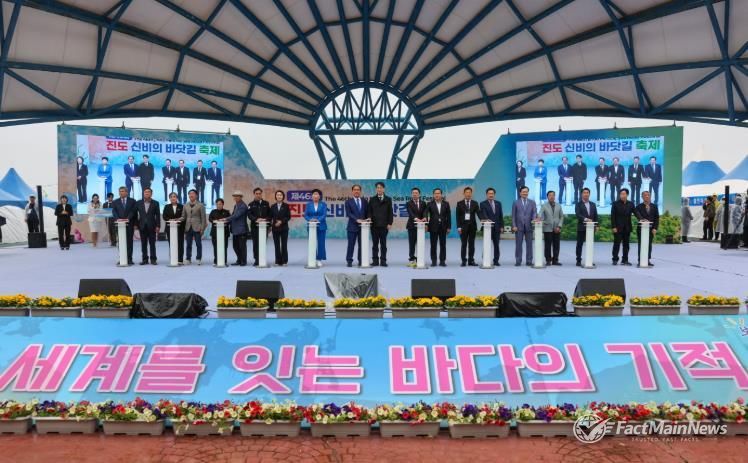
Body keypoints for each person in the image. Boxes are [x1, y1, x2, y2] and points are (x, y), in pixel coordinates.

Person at [367, 182, 393, 267]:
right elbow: (369, 211)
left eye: (381, 187)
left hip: (384, 226)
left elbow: (390, 212)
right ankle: (375, 261)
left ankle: (383, 261)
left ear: (383, 189)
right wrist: (369, 218)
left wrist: (390, 223)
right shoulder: (372, 199)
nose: (379, 189)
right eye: (378, 187)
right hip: (374, 225)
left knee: (383, 244)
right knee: (375, 244)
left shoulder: (388, 199)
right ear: (376, 189)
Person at [511, 186, 537, 266]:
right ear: (520, 193)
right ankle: (518, 260)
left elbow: (534, 213)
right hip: (518, 227)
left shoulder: (532, 202)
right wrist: (514, 225)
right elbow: (513, 215)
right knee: (518, 245)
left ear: (528, 192)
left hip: (529, 226)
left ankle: (529, 261)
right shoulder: (516, 202)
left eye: (526, 192)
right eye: (523, 192)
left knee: (529, 245)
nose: (525, 193)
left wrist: (534, 220)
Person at [344, 184, 368, 267]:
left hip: (363, 227)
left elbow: (367, 212)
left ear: (360, 191)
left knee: (362, 245)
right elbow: (348, 213)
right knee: (351, 245)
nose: (356, 191)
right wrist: (356, 219)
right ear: (352, 191)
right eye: (355, 189)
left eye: (358, 190)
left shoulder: (364, 201)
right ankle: (349, 260)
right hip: (352, 227)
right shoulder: (348, 202)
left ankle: (361, 260)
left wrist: (368, 218)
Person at [135, 188, 160, 265]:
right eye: (145, 192)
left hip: (152, 226)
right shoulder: (138, 203)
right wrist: (136, 224)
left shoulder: (155, 203)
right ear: (143, 193)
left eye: (148, 192)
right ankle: (144, 259)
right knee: (143, 244)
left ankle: (153, 259)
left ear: (151, 194)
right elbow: (135, 214)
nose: (147, 193)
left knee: (152, 243)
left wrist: (158, 226)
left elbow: (158, 215)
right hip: (142, 226)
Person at [182, 189, 207, 265]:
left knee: (198, 244)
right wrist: (177, 219)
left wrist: (202, 229)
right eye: (189, 194)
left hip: (197, 227)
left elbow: (203, 218)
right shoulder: (185, 205)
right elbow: (183, 217)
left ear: (196, 195)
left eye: (193, 193)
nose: (191, 195)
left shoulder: (201, 205)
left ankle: (198, 258)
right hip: (188, 227)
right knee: (188, 244)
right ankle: (188, 258)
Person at [112, 186, 137, 264]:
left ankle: (129, 259)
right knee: (120, 242)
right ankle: (122, 258)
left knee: (129, 242)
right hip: (119, 225)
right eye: (120, 191)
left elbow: (133, 211)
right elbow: (114, 212)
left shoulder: (132, 201)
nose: (121, 193)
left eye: (123, 191)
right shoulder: (115, 202)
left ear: (127, 192)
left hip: (129, 224)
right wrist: (118, 219)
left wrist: (127, 219)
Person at [610, 188, 635, 266]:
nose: (622, 195)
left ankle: (625, 260)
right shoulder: (615, 204)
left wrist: (641, 218)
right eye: (621, 194)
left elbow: (636, 212)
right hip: (617, 228)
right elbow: (613, 216)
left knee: (626, 245)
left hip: (627, 227)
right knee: (616, 244)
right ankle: (615, 259)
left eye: (624, 194)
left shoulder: (631, 204)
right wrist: (614, 226)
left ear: (627, 195)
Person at [479, 187, 503, 266]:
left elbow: (500, 216)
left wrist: (501, 226)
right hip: (487, 228)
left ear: (494, 194)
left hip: (497, 228)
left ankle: (496, 260)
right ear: (486, 194)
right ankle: (485, 259)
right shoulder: (482, 204)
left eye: (492, 193)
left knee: (496, 245)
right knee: (486, 244)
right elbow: (483, 213)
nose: (491, 195)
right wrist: (487, 219)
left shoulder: (498, 203)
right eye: (489, 193)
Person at [456, 186, 480, 266]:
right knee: (464, 244)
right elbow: (458, 216)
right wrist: (459, 227)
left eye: (469, 192)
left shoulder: (475, 203)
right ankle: (463, 261)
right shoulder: (459, 203)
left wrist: (484, 219)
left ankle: (471, 260)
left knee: (472, 244)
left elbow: (479, 213)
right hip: (463, 227)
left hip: (472, 227)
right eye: (467, 192)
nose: (468, 194)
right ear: (464, 193)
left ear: (471, 194)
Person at [426, 188, 450, 266]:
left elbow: (448, 216)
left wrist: (448, 227)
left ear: (441, 194)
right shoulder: (429, 204)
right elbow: (426, 214)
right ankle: (434, 260)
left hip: (443, 227)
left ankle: (442, 261)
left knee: (443, 245)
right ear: (433, 195)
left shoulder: (446, 204)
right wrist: (426, 225)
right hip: (433, 227)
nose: (437, 195)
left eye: (438, 193)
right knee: (433, 245)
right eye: (435, 193)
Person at [574, 187, 598, 267]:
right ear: (581, 194)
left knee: (590, 244)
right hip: (581, 227)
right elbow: (578, 215)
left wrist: (597, 225)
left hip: (591, 228)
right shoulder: (578, 204)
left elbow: (595, 215)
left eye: (587, 193)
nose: (586, 194)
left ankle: (589, 260)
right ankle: (578, 260)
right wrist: (586, 219)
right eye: (584, 193)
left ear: (589, 194)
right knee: (579, 244)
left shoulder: (593, 204)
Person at [634, 191, 659, 266]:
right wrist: (642, 219)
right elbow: (638, 215)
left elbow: (657, 218)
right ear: (642, 197)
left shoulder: (654, 206)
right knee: (641, 244)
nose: (647, 196)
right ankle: (640, 260)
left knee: (649, 244)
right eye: (645, 195)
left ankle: (647, 260)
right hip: (641, 228)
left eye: (648, 195)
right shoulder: (638, 206)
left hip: (651, 229)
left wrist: (655, 228)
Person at [304, 189, 327, 267]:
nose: (315, 196)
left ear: (319, 196)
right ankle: (312, 258)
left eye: (317, 194)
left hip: (321, 226)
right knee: (312, 243)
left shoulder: (323, 204)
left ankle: (319, 259)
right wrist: (310, 219)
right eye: (314, 194)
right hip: (311, 226)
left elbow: (324, 215)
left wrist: (317, 220)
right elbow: (305, 215)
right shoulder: (308, 205)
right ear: (312, 196)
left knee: (321, 243)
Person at [248, 187, 271, 266]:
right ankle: (256, 259)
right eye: (256, 194)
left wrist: (266, 220)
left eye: (259, 194)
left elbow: (270, 214)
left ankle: (262, 258)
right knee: (255, 244)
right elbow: (249, 215)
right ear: (254, 194)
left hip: (264, 227)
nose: (258, 195)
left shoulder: (266, 203)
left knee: (263, 243)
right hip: (254, 227)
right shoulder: (251, 204)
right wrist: (256, 219)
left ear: (261, 194)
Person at [540, 190, 563, 266]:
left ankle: (555, 260)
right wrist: (540, 219)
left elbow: (561, 217)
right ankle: (548, 260)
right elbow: (540, 215)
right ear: (547, 197)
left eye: (553, 195)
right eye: (550, 195)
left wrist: (559, 226)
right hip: (547, 228)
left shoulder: (559, 205)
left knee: (556, 245)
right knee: (547, 245)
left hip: (557, 228)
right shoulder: (544, 206)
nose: (551, 197)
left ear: (555, 196)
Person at [225, 191, 248, 266]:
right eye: (234, 196)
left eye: (237, 196)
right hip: (235, 230)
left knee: (242, 247)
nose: (235, 197)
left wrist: (226, 219)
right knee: (235, 246)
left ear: (241, 197)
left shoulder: (243, 206)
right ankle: (239, 260)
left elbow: (236, 215)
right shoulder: (236, 205)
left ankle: (243, 261)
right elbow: (233, 215)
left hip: (241, 230)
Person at [405, 187, 427, 266]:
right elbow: (410, 213)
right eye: (413, 193)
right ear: (411, 194)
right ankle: (412, 259)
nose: (414, 194)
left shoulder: (423, 203)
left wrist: (424, 218)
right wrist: (416, 219)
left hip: (421, 226)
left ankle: (420, 258)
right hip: (411, 226)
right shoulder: (408, 203)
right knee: (412, 244)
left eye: (416, 193)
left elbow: (425, 212)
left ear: (419, 194)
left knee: (420, 243)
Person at [162, 192, 184, 264]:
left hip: (180, 228)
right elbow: (164, 216)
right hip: (170, 228)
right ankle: (173, 259)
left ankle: (180, 260)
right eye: (171, 197)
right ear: (169, 198)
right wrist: (170, 220)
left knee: (180, 244)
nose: (173, 198)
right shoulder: (166, 206)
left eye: (174, 196)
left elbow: (183, 216)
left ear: (177, 198)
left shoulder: (181, 206)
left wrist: (177, 219)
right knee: (171, 244)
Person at [270, 191, 291, 266]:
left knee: (284, 245)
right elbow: (270, 217)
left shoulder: (286, 206)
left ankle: (284, 261)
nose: (279, 196)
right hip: (275, 228)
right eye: (278, 195)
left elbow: (288, 217)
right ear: (276, 196)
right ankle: (278, 261)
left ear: (283, 196)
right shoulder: (272, 206)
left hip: (284, 228)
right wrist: (270, 225)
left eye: (280, 195)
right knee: (276, 245)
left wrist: (281, 221)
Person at [209, 198, 231, 266]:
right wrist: (214, 221)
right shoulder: (213, 211)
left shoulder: (227, 212)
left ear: (223, 204)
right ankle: (216, 261)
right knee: (215, 247)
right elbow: (210, 219)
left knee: (224, 247)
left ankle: (224, 261)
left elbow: (229, 220)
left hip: (224, 233)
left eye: (220, 204)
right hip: (215, 233)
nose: (219, 205)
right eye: (217, 204)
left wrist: (224, 221)